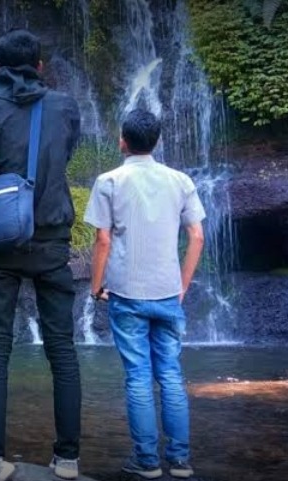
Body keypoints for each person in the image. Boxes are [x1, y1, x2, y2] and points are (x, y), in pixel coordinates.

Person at [0, 29, 82, 481]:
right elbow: (64, 155)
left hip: (3, 241)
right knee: (62, 351)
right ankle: (67, 460)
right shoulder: (65, 107)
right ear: (40, 67)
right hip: (52, 238)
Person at [84, 108, 206, 479]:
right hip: (168, 293)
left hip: (126, 294)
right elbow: (197, 236)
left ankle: (147, 461)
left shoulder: (109, 181)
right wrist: (182, 285)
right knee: (170, 375)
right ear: (157, 141)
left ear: (122, 141)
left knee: (138, 376)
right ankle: (180, 461)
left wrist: (95, 286)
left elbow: (103, 239)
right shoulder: (180, 180)